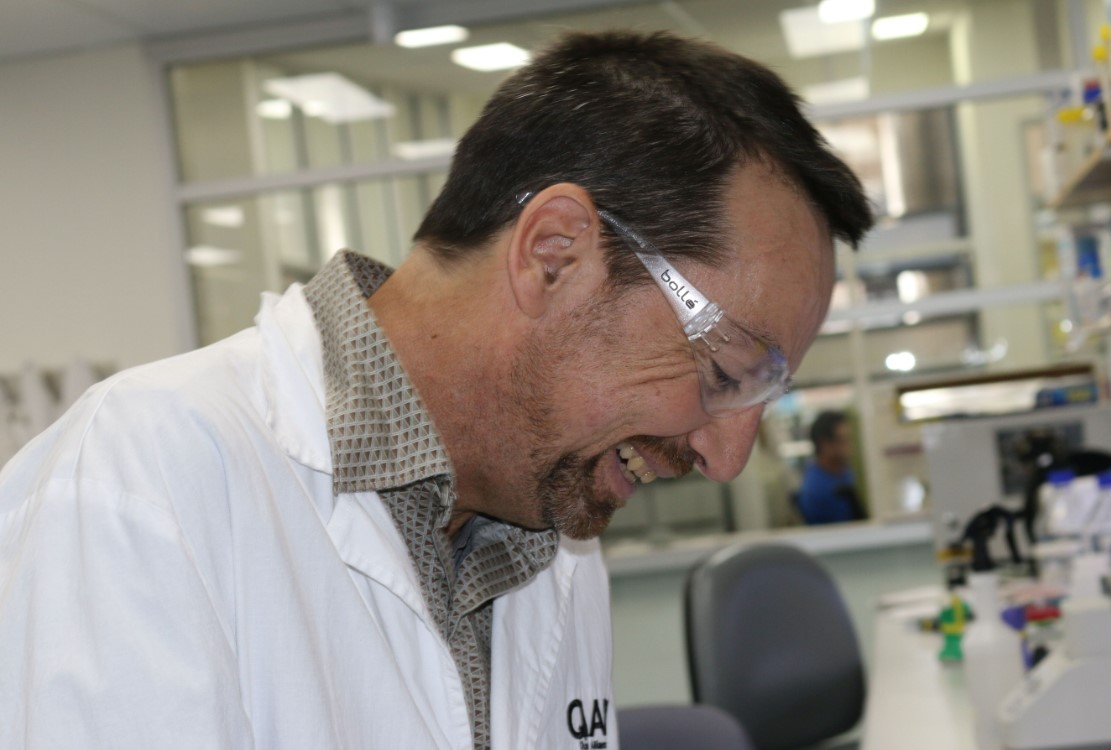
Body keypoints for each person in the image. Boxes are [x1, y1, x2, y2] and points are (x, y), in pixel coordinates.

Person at [0, 30, 872, 750]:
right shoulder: (136, 488)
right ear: (555, 255)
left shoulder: (550, 524)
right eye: (724, 373)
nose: (726, 457)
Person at [797, 411, 865, 525]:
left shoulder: (842, 470)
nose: (849, 447)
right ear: (824, 444)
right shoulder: (817, 490)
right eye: (843, 440)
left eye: (848, 439)